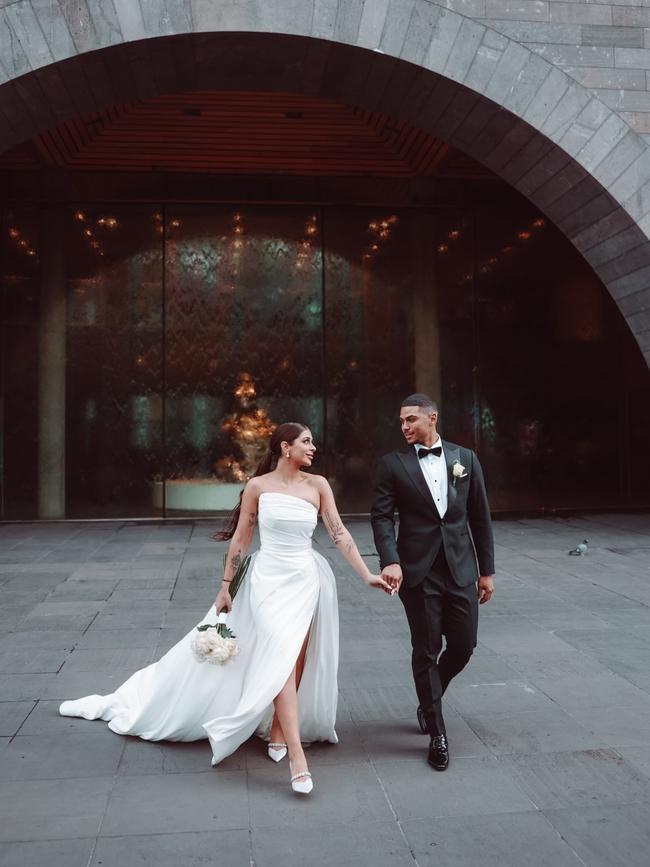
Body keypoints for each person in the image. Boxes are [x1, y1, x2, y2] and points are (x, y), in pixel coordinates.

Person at [60, 422, 392, 795]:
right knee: (281, 653)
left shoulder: (318, 486)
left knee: (295, 656)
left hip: (304, 579)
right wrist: (224, 587)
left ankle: (281, 732)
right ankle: (298, 759)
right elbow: (242, 538)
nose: (314, 448)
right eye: (306, 441)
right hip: (267, 579)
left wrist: (367, 574)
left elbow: (339, 533)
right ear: (285, 447)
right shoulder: (258, 486)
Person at [370, 395, 494, 771]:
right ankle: (437, 733)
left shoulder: (466, 459)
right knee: (426, 648)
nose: (405, 427)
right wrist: (390, 560)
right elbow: (380, 517)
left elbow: (480, 518)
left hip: (460, 568)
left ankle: (428, 697)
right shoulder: (392, 465)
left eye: (410, 420)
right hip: (417, 571)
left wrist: (486, 571)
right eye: (401, 422)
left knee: (464, 645)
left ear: (432, 418)